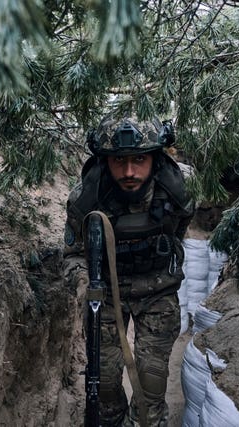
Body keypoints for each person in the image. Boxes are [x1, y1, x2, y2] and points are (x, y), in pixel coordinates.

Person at [62, 116, 195, 426]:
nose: (130, 172)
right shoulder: (86, 197)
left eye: (139, 159)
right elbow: (72, 255)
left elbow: (180, 231)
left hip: (158, 291)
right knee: (105, 385)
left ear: (156, 158)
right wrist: (86, 284)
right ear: (106, 161)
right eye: (119, 161)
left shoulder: (179, 188)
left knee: (151, 382)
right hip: (106, 294)